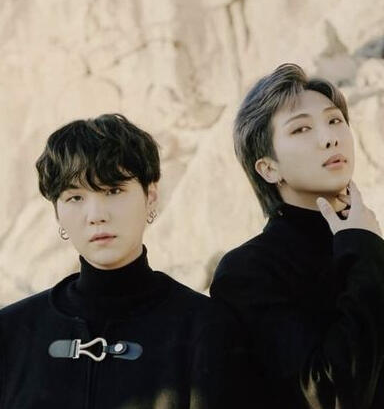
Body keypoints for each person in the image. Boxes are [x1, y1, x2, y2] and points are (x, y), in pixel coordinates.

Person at [0, 114, 243, 409]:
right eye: (75, 198)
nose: (96, 215)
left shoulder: (205, 328)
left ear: (150, 197)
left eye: (113, 191)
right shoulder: (11, 332)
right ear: (57, 213)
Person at [210, 63, 384, 408]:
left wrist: (367, 249)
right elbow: (327, 393)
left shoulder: (378, 255)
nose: (329, 138)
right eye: (301, 128)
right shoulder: (247, 271)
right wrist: (366, 253)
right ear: (268, 168)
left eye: (335, 120)